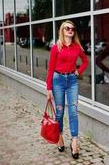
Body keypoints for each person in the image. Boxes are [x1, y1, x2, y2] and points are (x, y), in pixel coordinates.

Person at [46, 20, 88, 159]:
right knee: (59, 112)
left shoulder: (77, 47)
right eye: (67, 28)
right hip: (57, 81)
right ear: (62, 31)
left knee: (73, 111)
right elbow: (50, 68)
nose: (70, 30)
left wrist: (78, 71)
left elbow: (85, 61)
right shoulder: (56, 47)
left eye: (72, 28)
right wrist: (48, 88)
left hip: (72, 81)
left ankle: (74, 140)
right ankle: (59, 136)